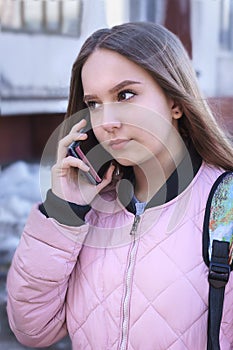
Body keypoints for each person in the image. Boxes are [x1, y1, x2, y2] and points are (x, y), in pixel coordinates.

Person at [6, 22, 233, 350]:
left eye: (125, 95)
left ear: (175, 102)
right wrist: (65, 211)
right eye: (94, 103)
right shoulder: (89, 209)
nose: (107, 122)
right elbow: (32, 330)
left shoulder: (225, 207)